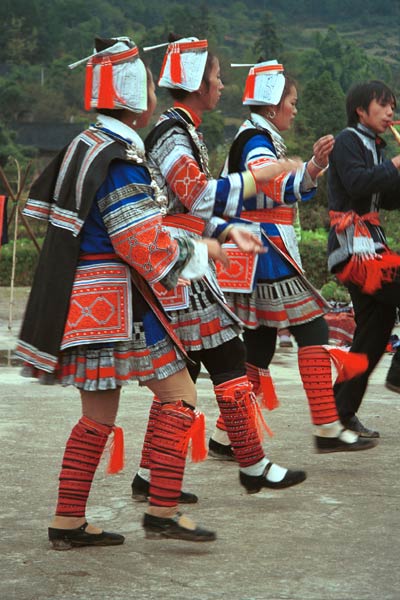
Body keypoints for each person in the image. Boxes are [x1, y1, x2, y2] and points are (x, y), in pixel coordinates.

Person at [15, 35, 243, 547]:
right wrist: (207, 250)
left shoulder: (85, 144)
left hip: (90, 299)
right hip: (118, 300)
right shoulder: (119, 158)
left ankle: (69, 521)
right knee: (180, 395)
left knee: (97, 416)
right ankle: (162, 509)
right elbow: (139, 241)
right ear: (138, 101)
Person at [130, 34, 308, 500]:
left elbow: (198, 200)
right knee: (227, 357)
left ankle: (151, 475)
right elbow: (194, 195)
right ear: (195, 83)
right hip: (176, 262)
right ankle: (251, 464)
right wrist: (257, 178)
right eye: (215, 77)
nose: (221, 84)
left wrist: (226, 231)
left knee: (187, 369)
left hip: (183, 257)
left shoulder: (183, 129)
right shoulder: (172, 133)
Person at [214, 59, 376, 454]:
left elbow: (277, 182)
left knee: (259, 346)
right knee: (313, 329)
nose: (295, 109)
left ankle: (225, 436)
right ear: (273, 106)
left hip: (257, 250)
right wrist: (313, 165)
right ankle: (326, 425)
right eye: (292, 101)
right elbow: (269, 185)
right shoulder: (255, 142)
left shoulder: (256, 137)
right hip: (266, 251)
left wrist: (311, 167)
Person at [327, 80, 400, 434]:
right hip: (353, 249)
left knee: (372, 335)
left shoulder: (374, 145)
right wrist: (397, 165)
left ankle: (337, 411)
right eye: (384, 105)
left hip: (372, 246)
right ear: (361, 109)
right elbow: (357, 184)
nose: (391, 112)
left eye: (392, 106)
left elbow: (384, 198)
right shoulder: (347, 141)